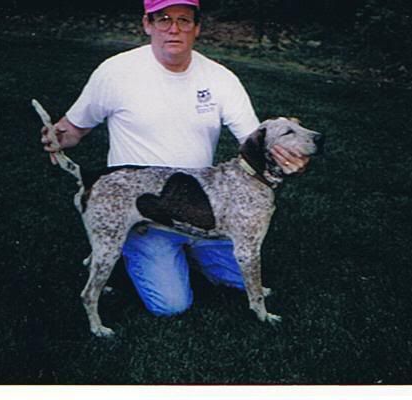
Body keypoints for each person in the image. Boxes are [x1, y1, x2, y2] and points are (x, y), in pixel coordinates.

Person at [41, 0, 310, 317]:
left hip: (205, 205)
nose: (173, 29)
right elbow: (74, 128)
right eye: (164, 19)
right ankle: (129, 245)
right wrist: (59, 136)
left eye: (184, 20)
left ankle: (187, 251)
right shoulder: (114, 72)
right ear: (147, 24)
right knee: (171, 305)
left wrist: (288, 156)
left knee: (241, 277)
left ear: (197, 27)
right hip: (146, 207)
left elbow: (255, 142)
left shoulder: (221, 78)